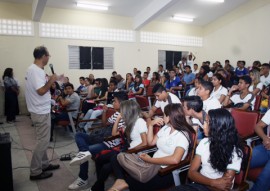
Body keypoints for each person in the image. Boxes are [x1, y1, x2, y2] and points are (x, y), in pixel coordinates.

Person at [109, 103, 195, 191]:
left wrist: (149, 160)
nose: (162, 116)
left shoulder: (182, 135)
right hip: (152, 166)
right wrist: (150, 125)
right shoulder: (166, 128)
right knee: (117, 159)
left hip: (166, 171)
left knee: (131, 184)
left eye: (164, 114)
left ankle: (121, 182)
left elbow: (175, 160)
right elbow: (150, 143)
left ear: (169, 117)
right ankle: (121, 180)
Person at [170, 108, 243, 191]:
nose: (203, 126)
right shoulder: (204, 142)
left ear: (218, 126)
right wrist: (213, 182)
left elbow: (224, 186)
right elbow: (191, 173)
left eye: (207, 122)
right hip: (201, 186)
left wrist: (201, 180)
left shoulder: (234, 151)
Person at [67, 93, 128, 190]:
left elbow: (116, 135)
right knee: (78, 135)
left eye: (115, 101)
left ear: (121, 103)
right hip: (101, 138)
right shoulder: (116, 113)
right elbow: (104, 124)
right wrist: (104, 111)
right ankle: (84, 152)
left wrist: (117, 120)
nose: (113, 103)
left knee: (84, 151)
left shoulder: (126, 117)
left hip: (109, 144)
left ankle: (83, 178)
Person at [25, 46, 60, 180]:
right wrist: (51, 80)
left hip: (40, 109)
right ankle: (35, 171)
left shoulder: (35, 70)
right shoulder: (35, 71)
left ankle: (44, 164)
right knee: (42, 142)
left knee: (43, 140)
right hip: (40, 111)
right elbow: (40, 91)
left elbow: (41, 88)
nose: (49, 57)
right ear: (43, 56)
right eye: (48, 55)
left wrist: (51, 79)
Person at [249, 109, 270, 191]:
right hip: (266, 147)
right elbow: (258, 126)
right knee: (243, 161)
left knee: (265, 176)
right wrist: (265, 138)